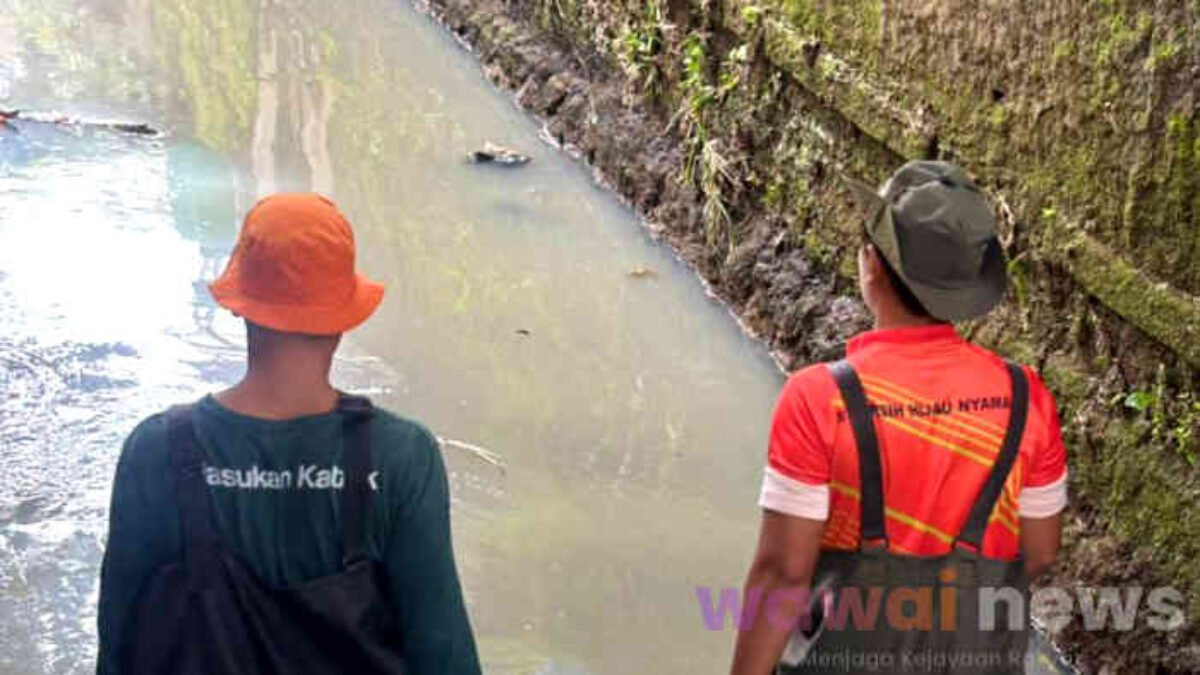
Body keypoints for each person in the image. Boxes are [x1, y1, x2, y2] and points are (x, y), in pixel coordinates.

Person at [97, 193, 481, 674]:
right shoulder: (401, 458)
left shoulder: (155, 450)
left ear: (241, 307)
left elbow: (119, 646)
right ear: (344, 317)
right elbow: (443, 655)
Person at [730, 162, 1067, 674]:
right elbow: (1039, 554)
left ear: (872, 265)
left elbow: (783, 574)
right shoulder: (1026, 398)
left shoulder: (820, 399)